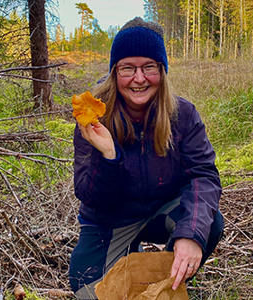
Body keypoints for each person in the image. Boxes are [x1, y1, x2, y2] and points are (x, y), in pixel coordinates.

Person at [69, 17, 224, 300]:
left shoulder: (183, 115)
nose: (139, 79)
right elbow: (88, 196)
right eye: (128, 68)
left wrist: (189, 235)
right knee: (87, 292)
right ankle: (130, 257)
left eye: (148, 67)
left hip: (161, 210)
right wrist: (109, 156)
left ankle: (166, 275)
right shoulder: (92, 118)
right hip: (109, 221)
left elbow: (204, 175)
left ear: (161, 71)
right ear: (115, 72)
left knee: (208, 224)